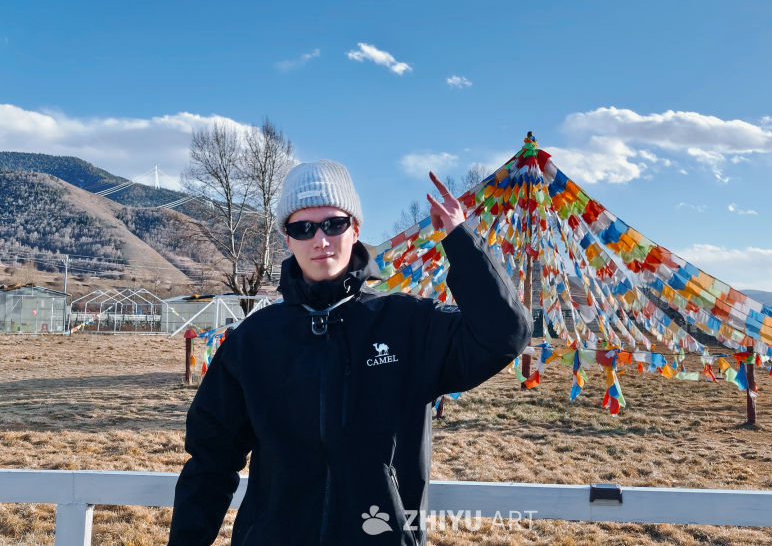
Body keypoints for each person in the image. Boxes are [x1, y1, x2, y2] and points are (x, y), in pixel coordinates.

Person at [168, 160, 530, 545]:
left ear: (355, 229)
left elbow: (505, 333)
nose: (320, 240)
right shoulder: (254, 340)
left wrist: (460, 239)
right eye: (302, 228)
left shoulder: (407, 324)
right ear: (287, 240)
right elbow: (210, 463)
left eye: (334, 224)